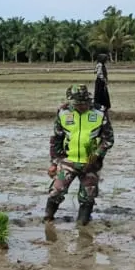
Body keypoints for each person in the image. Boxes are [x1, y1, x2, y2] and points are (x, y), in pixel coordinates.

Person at [47, 83, 114, 225]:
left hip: (91, 162)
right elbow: (56, 139)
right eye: (77, 104)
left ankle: (83, 223)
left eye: (84, 103)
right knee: (57, 190)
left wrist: (96, 155)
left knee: (88, 195)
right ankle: (48, 218)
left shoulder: (100, 112)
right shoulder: (63, 112)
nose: (81, 106)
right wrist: (54, 162)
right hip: (68, 161)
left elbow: (108, 140)